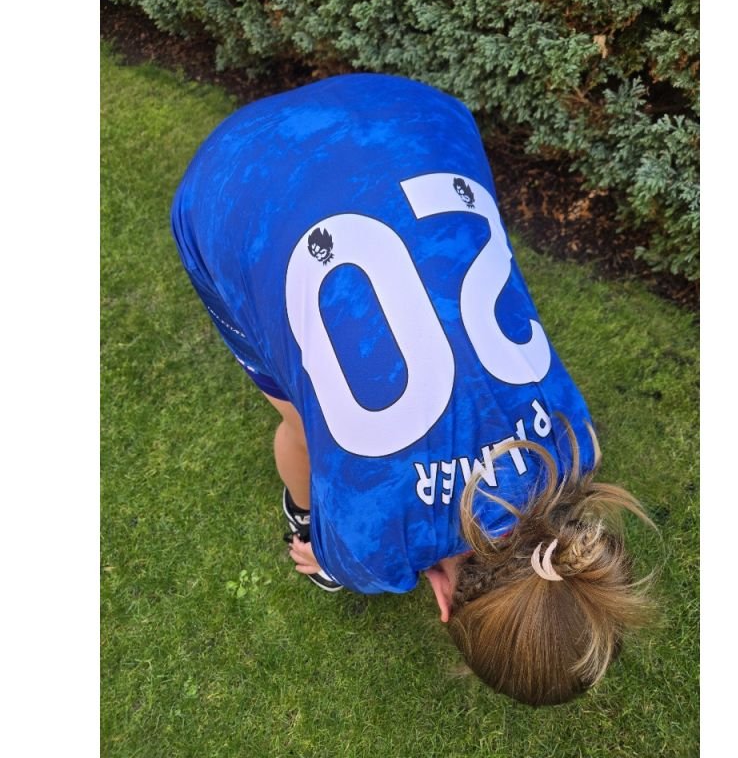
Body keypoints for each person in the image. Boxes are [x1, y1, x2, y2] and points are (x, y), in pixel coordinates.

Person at [171, 73, 654, 706]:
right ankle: (303, 518)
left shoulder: (576, 445)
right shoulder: (371, 546)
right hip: (232, 179)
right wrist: (327, 555)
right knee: (300, 425)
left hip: (416, 118)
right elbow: (368, 523)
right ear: (445, 602)